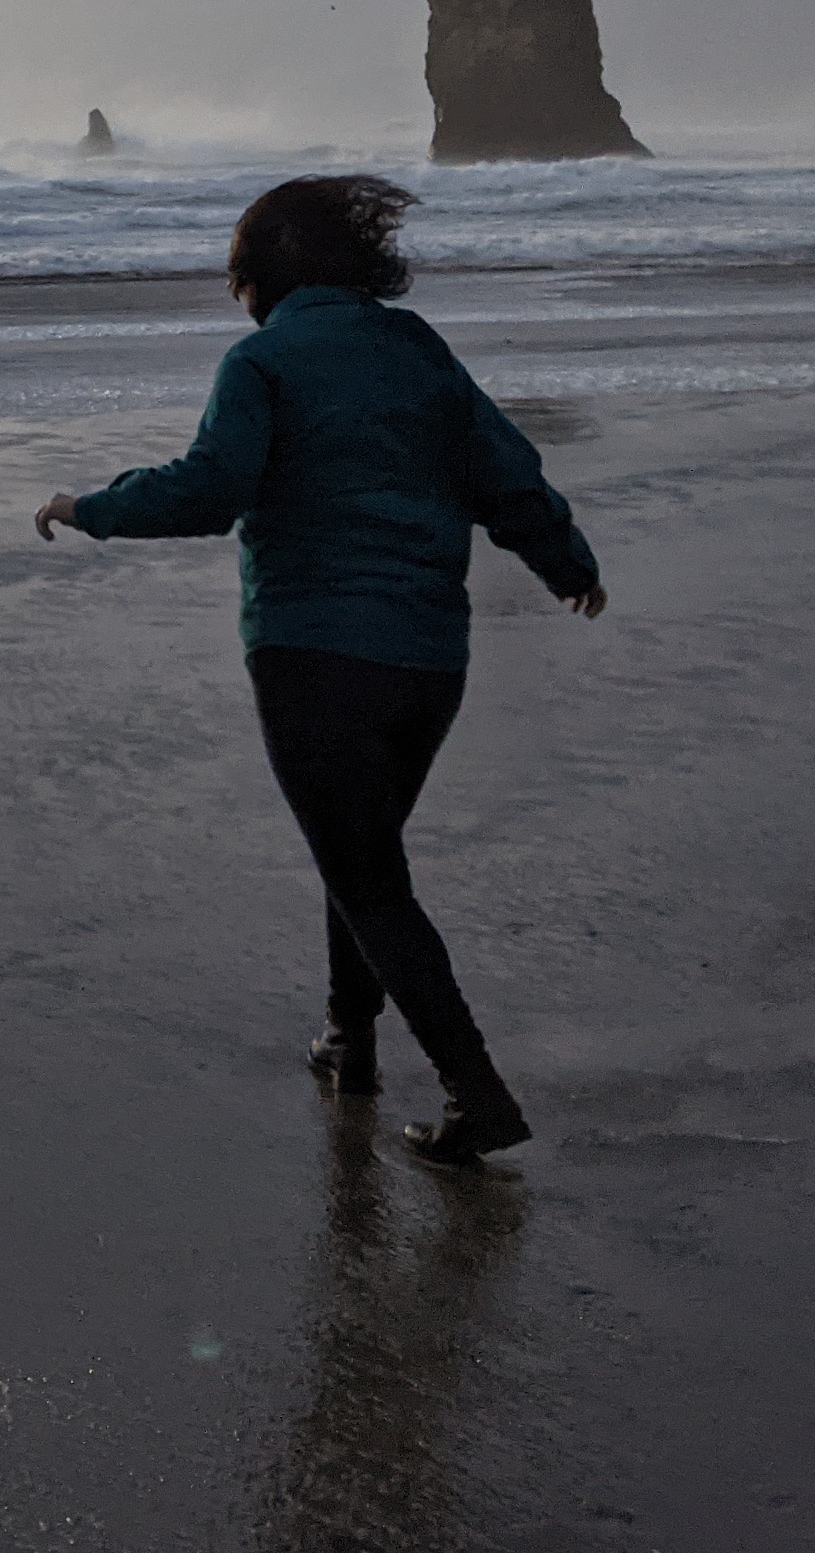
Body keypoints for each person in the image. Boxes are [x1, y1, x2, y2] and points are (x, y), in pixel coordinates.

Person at [37, 175, 604, 1164]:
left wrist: (92, 507)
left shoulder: (263, 361)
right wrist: (569, 566)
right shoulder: (418, 349)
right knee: (362, 853)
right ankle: (350, 1039)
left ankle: (476, 1092)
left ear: (265, 275)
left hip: (312, 652)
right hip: (429, 660)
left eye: (238, 280)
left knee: (366, 872)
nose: (239, 300)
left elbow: (212, 488)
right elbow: (508, 473)